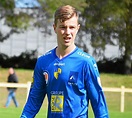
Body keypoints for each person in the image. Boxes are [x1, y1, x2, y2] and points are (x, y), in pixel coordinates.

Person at [20, 5, 109, 118]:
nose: (67, 32)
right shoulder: (43, 62)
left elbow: (99, 105)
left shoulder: (86, 62)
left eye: (71, 27)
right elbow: (33, 101)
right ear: (54, 28)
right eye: (63, 27)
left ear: (78, 28)